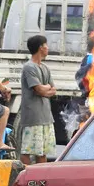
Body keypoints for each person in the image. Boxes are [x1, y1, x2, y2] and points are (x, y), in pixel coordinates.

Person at [19, 35, 57, 165]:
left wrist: (44, 89)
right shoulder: (29, 67)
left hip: (46, 116)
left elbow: (53, 90)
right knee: (27, 150)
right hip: (33, 117)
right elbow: (39, 89)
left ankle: (41, 176)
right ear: (41, 48)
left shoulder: (45, 68)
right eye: (46, 45)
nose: (48, 48)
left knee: (42, 151)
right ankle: (26, 174)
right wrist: (45, 88)